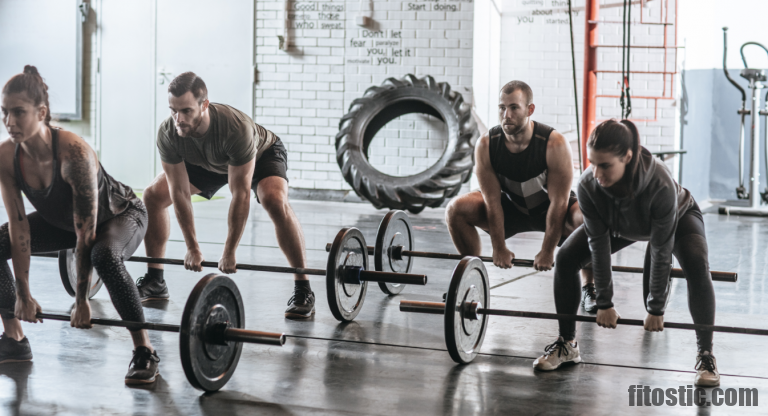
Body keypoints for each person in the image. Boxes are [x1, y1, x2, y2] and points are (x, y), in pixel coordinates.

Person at [0, 66, 160, 384]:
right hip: (63, 222)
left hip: (120, 215)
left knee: (103, 256)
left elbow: (86, 230)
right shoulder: (6, 156)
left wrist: (81, 300)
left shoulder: (73, 152)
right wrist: (23, 294)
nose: (9, 122)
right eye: (4, 112)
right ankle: (14, 338)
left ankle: (145, 349)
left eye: (18, 112)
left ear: (41, 112)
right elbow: (18, 227)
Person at [534, 119, 719, 387]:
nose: (596, 173)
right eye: (593, 163)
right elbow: (598, 245)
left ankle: (706, 355)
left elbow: (661, 248)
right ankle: (567, 344)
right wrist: (605, 302)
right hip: (622, 224)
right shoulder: (588, 185)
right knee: (566, 257)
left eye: (605, 165)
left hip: (677, 219)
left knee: (697, 265)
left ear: (627, 157)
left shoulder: (660, 182)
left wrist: (656, 307)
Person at [136, 72, 313, 319]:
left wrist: (229, 251)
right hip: (208, 163)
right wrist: (192, 248)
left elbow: (240, 194)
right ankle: (155, 280)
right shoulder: (169, 132)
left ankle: (303, 286)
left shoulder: (234, 129)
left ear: (204, 105)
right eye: (173, 110)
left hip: (260, 157)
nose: (179, 119)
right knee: (153, 195)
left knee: (274, 200)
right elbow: (179, 192)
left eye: (186, 111)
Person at [445, 81, 595, 311]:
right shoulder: (486, 144)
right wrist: (499, 247)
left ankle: (590, 287)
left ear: (530, 110)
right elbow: (492, 201)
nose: (506, 115)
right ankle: (469, 277)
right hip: (510, 208)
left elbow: (559, 203)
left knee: (588, 219)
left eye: (514, 107)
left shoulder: (554, 144)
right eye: (502, 108)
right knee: (456, 209)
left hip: (551, 210)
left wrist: (547, 250)